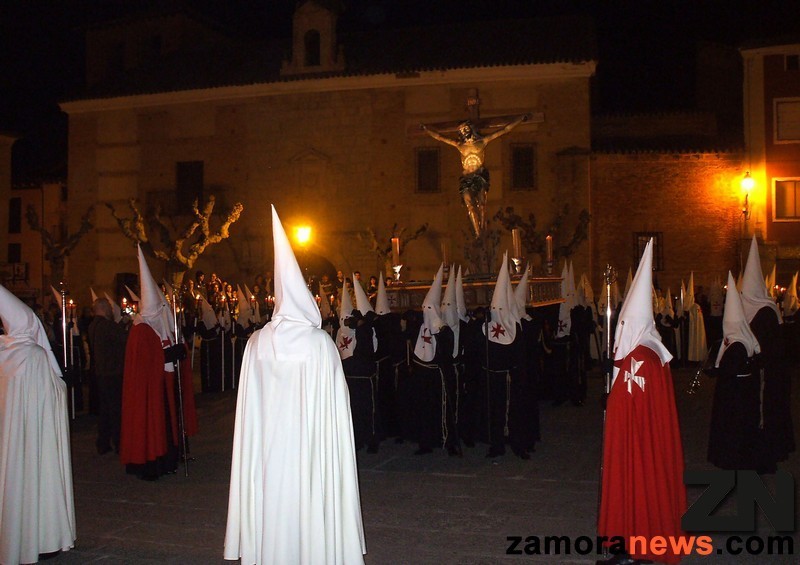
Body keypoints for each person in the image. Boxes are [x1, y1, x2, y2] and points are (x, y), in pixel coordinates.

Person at [225, 205, 366, 564]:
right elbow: (336, 418)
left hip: (268, 454)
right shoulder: (319, 344)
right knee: (309, 503)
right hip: (310, 454)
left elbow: (248, 414)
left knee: (271, 503)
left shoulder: (256, 343)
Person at [597, 239, 685, 565]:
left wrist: (612, 394)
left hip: (637, 443)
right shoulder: (647, 349)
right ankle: (630, 544)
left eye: (623, 325)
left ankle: (637, 548)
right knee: (631, 487)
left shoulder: (642, 358)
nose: (620, 331)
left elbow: (626, 399)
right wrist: (614, 371)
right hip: (639, 440)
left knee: (635, 486)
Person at [0, 284, 76, 563]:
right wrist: (62, 381)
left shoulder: (4, 352)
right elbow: (51, 393)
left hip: (11, 437)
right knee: (36, 478)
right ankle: (40, 536)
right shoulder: (33, 356)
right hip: (36, 434)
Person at [119, 245, 198, 480]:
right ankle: (151, 463)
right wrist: (168, 356)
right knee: (151, 425)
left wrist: (175, 353)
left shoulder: (155, 324)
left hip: (162, 384)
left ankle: (168, 457)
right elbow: (145, 362)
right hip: (148, 389)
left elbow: (163, 348)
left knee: (165, 425)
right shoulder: (140, 330)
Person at [420, 113, 529, 236]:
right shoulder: (460, 145)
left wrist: (519, 120)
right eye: (461, 130)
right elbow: (440, 137)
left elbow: (504, 130)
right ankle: (478, 233)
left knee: (482, 204)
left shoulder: (482, 142)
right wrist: (426, 129)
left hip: (479, 176)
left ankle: (483, 228)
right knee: (470, 206)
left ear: (471, 129)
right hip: (466, 178)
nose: (463, 132)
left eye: (465, 129)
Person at [707, 272, 771, 472]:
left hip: (737, 396)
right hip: (739, 393)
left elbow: (733, 369)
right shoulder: (737, 342)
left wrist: (717, 373)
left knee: (736, 429)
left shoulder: (738, 345)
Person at [741, 236, 793, 463]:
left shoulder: (765, 313)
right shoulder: (765, 310)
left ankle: (770, 449)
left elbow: (767, 345)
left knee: (769, 411)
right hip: (768, 370)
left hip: (769, 373)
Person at [88, 297, 128, 455]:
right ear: (104, 308)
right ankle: (119, 443)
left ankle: (103, 442)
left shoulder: (93, 326)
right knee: (115, 410)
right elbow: (122, 340)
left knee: (105, 410)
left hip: (101, 373)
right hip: (113, 373)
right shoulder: (107, 326)